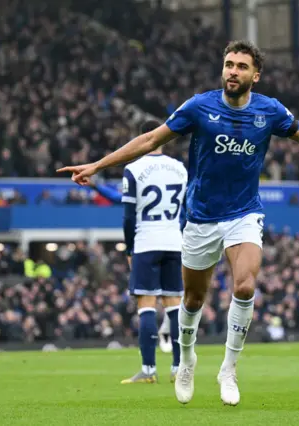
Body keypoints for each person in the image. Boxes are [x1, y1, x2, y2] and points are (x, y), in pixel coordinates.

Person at [57, 40, 299, 405]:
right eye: (228, 64)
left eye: (241, 66)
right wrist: (97, 166)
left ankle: (228, 367)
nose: (232, 71)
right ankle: (187, 358)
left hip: (244, 214)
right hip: (200, 216)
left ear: (256, 75)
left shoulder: (269, 111)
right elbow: (149, 139)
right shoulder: (199, 106)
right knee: (192, 299)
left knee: (244, 286)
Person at [116, 119, 188, 384]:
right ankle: (179, 368)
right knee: (174, 306)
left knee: (146, 306)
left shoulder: (133, 169)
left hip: (146, 242)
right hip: (174, 241)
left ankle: (148, 370)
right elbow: (187, 211)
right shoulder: (180, 169)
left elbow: (127, 217)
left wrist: (129, 247)